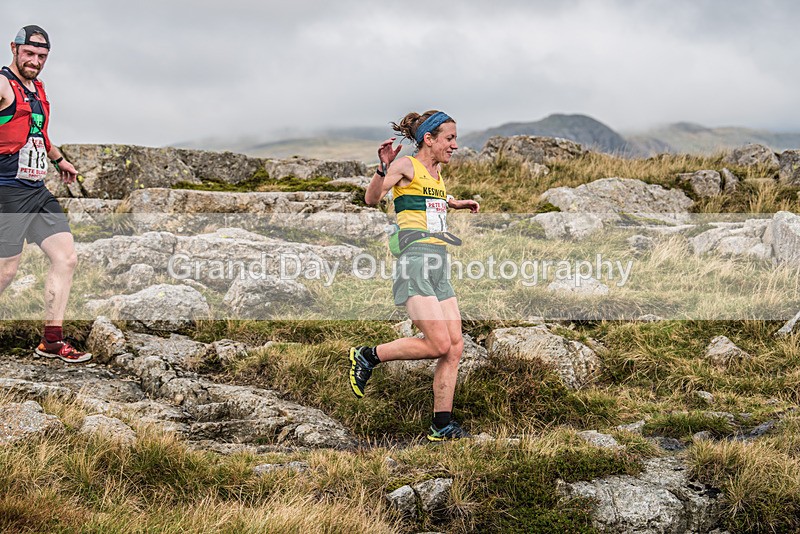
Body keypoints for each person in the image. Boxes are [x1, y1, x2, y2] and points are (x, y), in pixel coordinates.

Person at [349, 110, 479, 441]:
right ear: (429, 139)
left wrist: (454, 204)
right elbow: (372, 198)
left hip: (439, 264)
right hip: (416, 262)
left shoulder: (436, 173)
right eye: (450, 138)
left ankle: (441, 425)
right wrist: (383, 167)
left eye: (455, 138)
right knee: (438, 343)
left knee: (454, 347)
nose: (455, 145)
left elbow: (429, 199)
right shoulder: (406, 165)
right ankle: (369, 355)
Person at [0, 25, 91, 363]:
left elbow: (36, 132)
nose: (35, 61)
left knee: (65, 257)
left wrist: (59, 160)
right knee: (6, 271)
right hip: (8, 192)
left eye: (42, 56)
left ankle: (51, 342)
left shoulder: (36, 88)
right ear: (14, 49)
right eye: (29, 53)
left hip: (36, 189)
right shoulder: (3, 84)